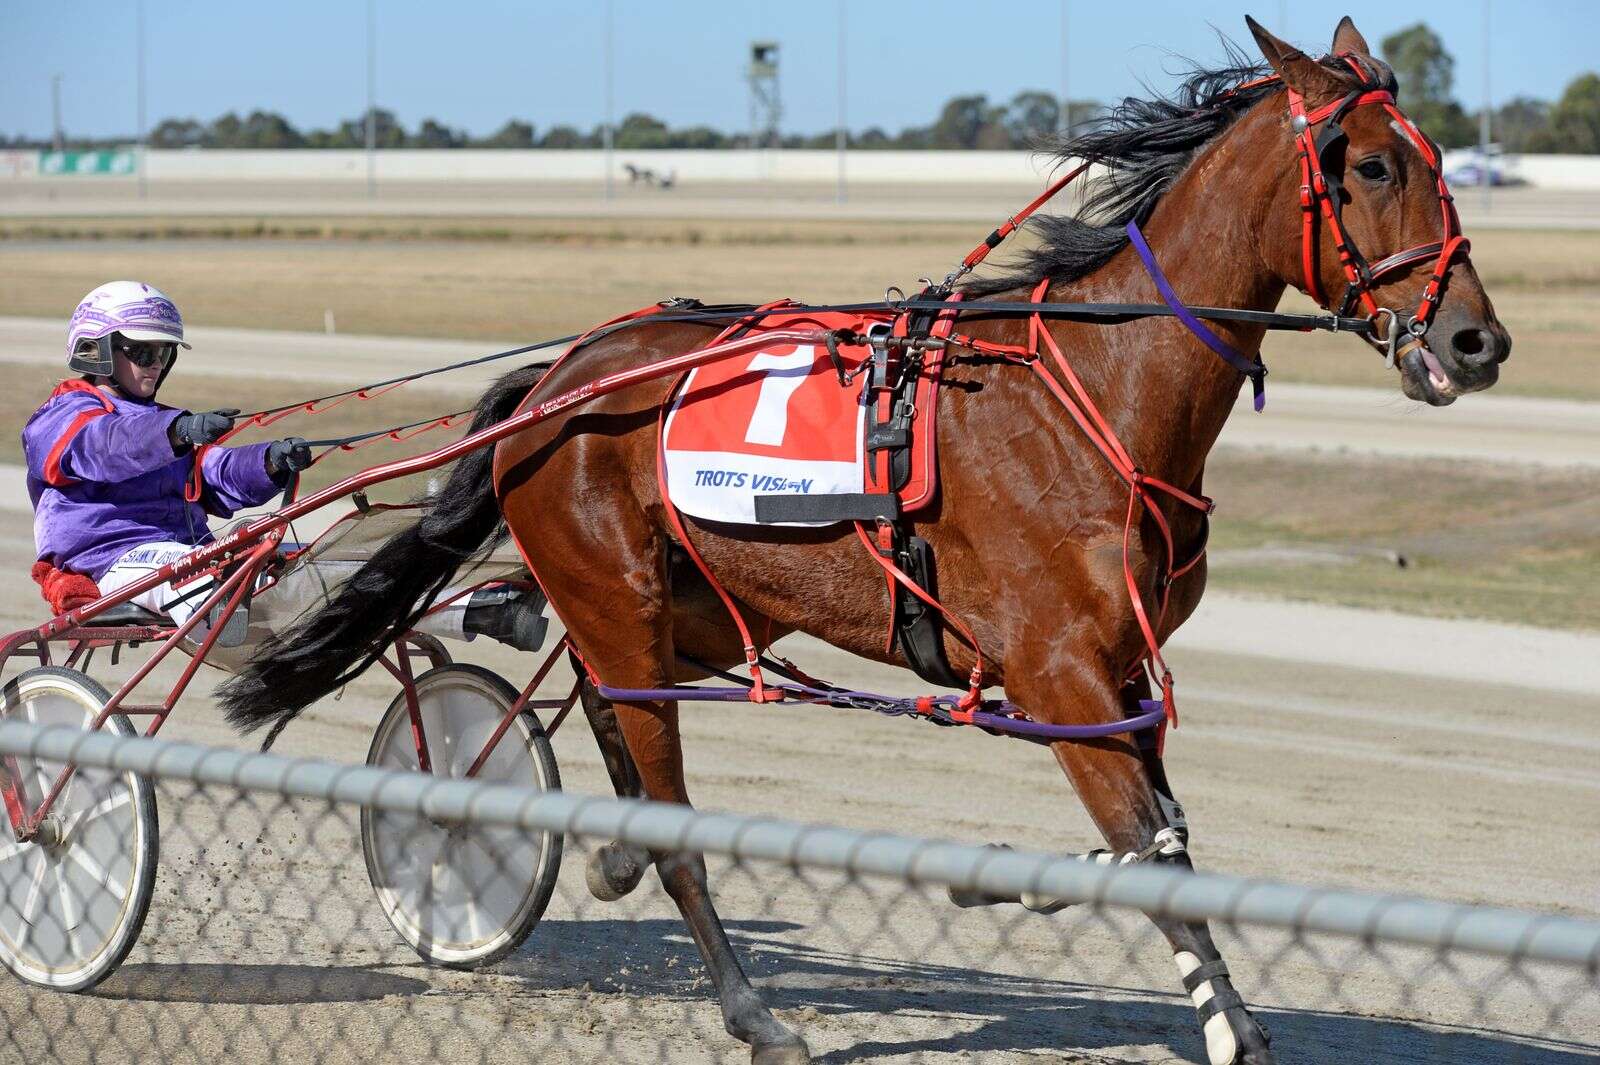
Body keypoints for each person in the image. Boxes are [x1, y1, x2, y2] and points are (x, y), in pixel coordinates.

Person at [23, 281, 545, 650]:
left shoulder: (162, 422)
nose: (156, 363)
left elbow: (217, 474)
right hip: (107, 564)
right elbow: (104, 447)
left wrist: (269, 463)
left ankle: (475, 610)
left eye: (164, 352)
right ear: (98, 351)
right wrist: (176, 432)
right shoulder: (64, 415)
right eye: (142, 351)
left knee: (325, 562)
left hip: (186, 554)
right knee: (224, 571)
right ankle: (227, 612)